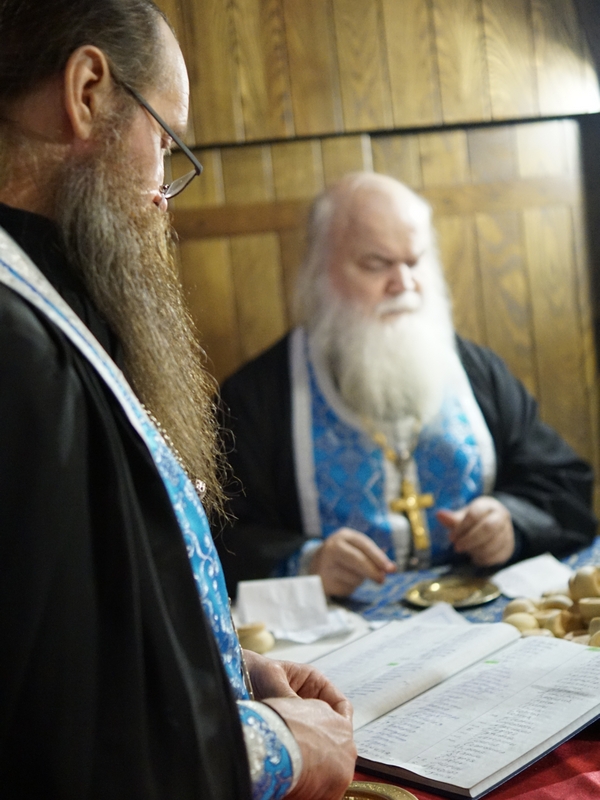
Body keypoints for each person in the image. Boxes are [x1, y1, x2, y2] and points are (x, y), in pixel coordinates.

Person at [0, 2, 356, 798]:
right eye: (165, 142)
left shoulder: (46, 301)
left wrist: (213, 660)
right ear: (87, 92)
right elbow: (62, 738)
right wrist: (279, 746)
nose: (165, 194)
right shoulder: (17, 345)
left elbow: (65, 615)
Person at [218, 172, 597, 598]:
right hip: (340, 628)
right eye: (376, 264)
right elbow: (218, 532)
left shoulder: (476, 372)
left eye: (415, 262)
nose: (404, 283)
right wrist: (306, 561)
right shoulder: (256, 397)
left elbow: (566, 483)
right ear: (319, 271)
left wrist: (511, 521)